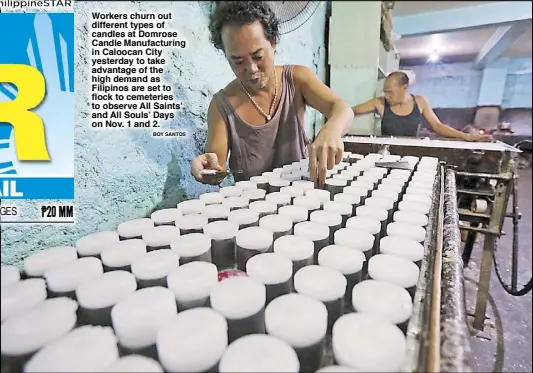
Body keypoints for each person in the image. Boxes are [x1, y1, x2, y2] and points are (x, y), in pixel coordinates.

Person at [190, 1, 354, 187]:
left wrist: (332, 130)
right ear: (225, 56)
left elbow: (343, 109)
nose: (251, 69)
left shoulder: (297, 79)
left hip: (303, 197)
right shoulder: (221, 106)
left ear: (273, 42)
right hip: (250, 209)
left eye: (258, 56)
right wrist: (206, 166)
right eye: (238, 61)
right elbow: (216, 165)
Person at [352, 71, 491, 141]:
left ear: (404, 88)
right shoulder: (380, 103)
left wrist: (465, 137)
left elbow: (438, 126)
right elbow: (352, 111)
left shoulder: (420, 102)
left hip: (411, 156)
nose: (387, 96)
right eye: (385, 92)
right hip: (386, 154)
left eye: (390, 92)